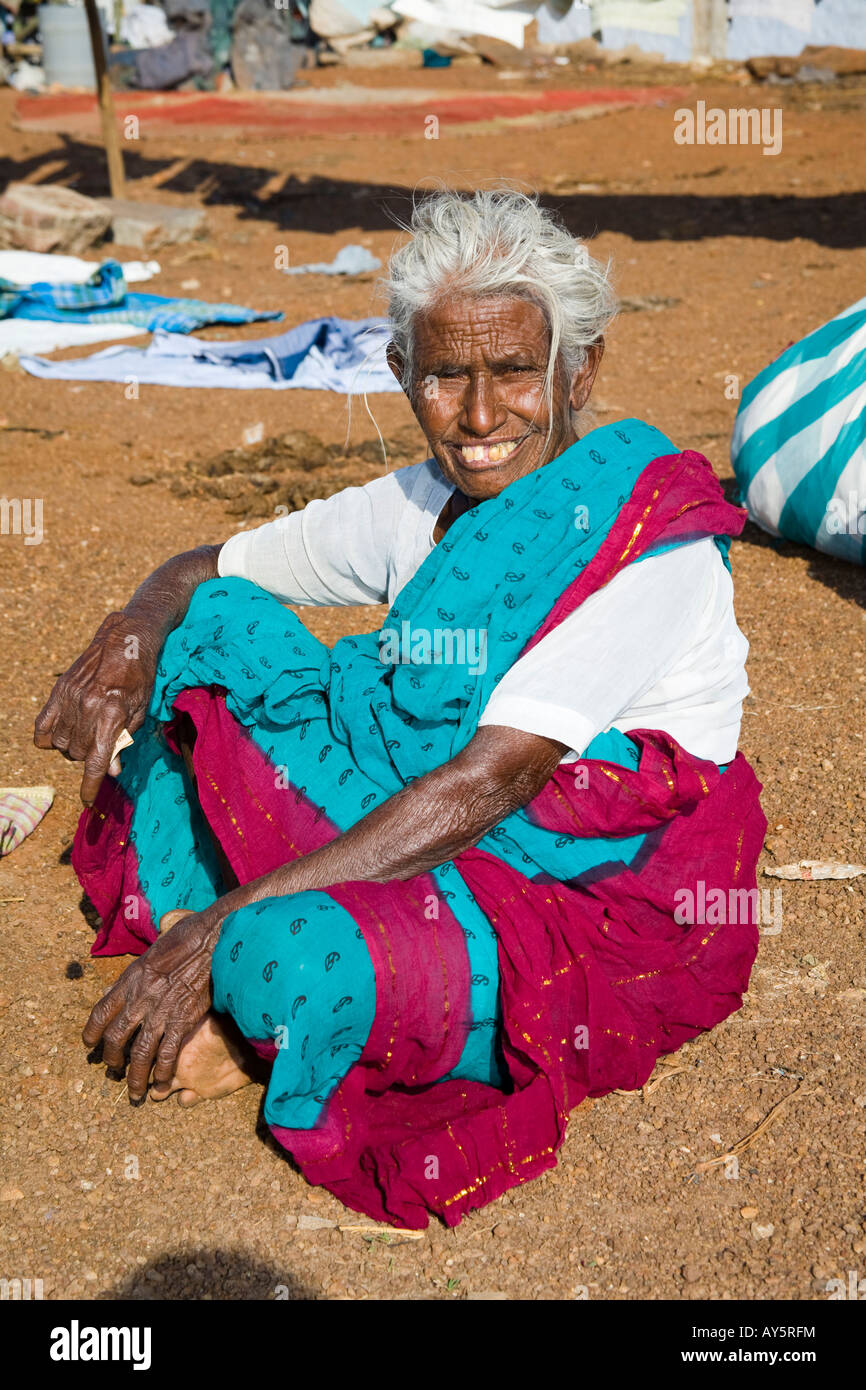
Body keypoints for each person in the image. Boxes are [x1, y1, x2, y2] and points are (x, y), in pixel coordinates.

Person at [35, 189, 766, 1229]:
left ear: (578, 372)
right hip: (423, 816)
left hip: (578, 900)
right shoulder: (419, 501)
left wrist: (215, 936)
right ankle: (274, 931)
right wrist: (131, 631)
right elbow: (208, 565)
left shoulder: (647, 541)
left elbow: (492, 779)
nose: (477, 418)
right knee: (221, 622)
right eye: (443, 375)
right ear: (400, 375)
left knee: (284, 959)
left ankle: (253, 968)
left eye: (514, 372)